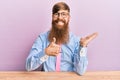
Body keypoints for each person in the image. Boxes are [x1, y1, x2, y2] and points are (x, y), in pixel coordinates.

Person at [26, 2, 98, 75]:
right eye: (56, 14)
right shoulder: (42, 38)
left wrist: (82, 47)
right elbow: (28, 66)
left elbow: (81, 71)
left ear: (69, 18)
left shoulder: (76, 41)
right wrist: (45, 53)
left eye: (64, 14)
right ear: (52, 16)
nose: (60, 17)